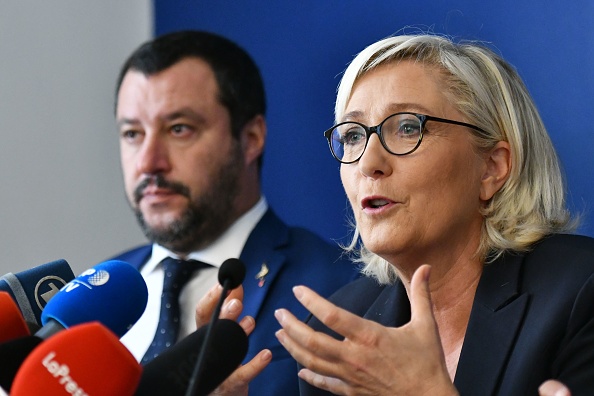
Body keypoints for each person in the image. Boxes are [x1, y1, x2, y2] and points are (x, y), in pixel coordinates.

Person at [269, 34, 594, 395]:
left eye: (408, 127)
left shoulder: (582, 294)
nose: (368, 163)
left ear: (491, 168)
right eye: (353, 135)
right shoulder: (340, 334)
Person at [110, 30, 358, 395]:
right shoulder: (95, 294)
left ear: (251, 139)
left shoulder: (340, 291)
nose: (149, 163)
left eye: (179, 129)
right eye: (132, 134)